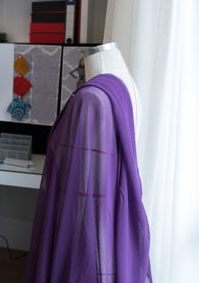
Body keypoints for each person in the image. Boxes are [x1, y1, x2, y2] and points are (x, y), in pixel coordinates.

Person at [25, 43, 151, 282]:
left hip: (85, 213)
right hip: (110, 211)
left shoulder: (90, 99)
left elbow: (79, 171)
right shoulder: (126, 85)